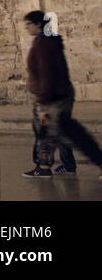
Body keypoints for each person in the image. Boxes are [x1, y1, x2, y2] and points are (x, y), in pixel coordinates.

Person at [21, 11, 102, 179]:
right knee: (48, 131)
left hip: (50, 100)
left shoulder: (44, 43)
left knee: (61, 132)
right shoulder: (46, 40)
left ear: (38, 24)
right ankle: (47, 166)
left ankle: (49, 166)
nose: (26, 27)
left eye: (28, 24)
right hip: (53, 97)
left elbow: (47, 71)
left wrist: (43, 97)